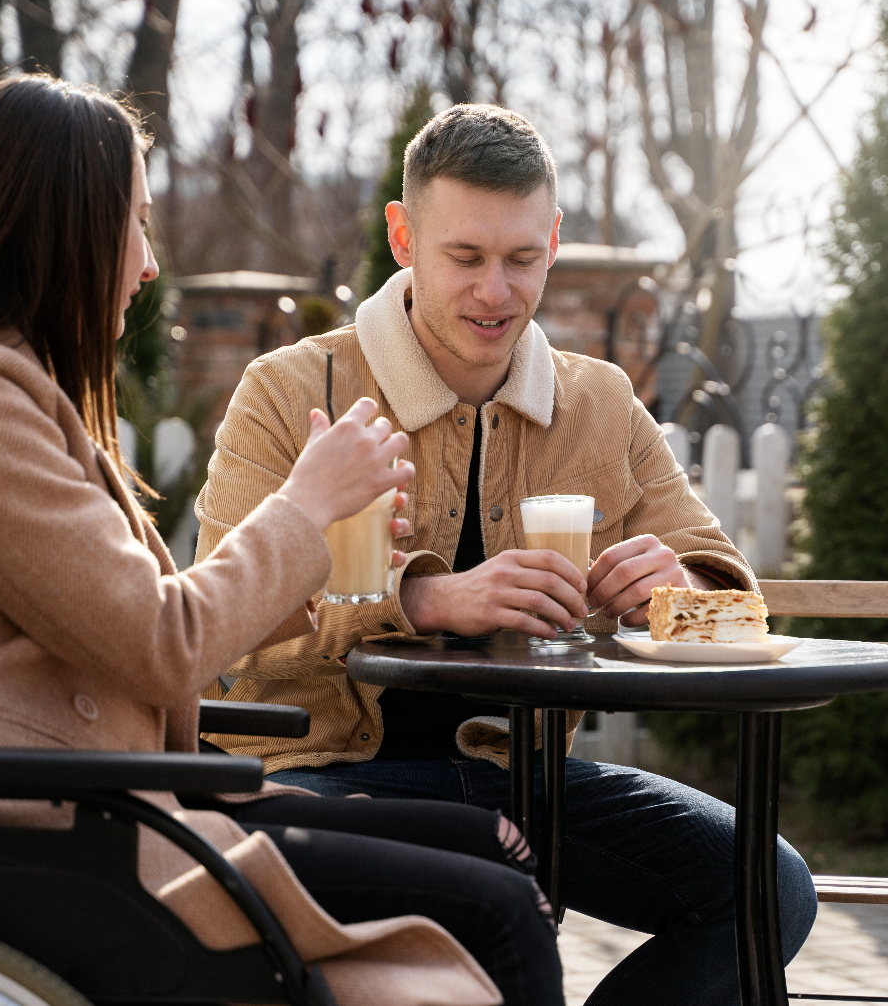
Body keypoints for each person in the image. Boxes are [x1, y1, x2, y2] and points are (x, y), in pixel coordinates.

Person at [0, 75, 565, 1006]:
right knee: (499, 906)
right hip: (43, 838)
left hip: (99, 809)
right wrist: (303, 507)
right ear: (56, 230)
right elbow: (161, 642)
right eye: (133, 224)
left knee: (497, 849)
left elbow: (155, 627)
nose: (148, 263)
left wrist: (319, 533)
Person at [196, 103, 818, 1005]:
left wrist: (676, 588)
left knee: (768, 886)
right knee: (488, 898)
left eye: (522, 258)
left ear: (555, 241)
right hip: (315, 774)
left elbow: (726, 584)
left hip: (513, 776)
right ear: (403, 237)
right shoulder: (293, 390)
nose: (497, 291)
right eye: (467, 258)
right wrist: (426, 601)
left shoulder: (598, 402)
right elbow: (222, 624)